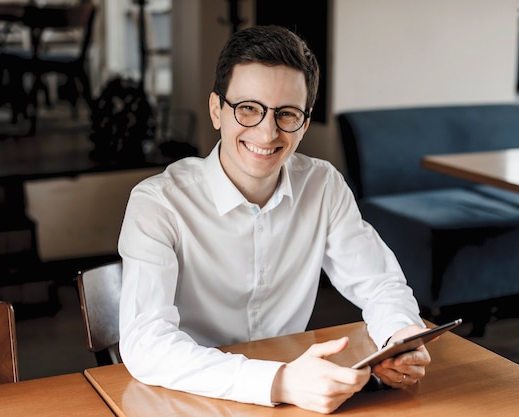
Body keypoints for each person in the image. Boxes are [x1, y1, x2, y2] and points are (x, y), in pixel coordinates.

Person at [118, 25, 430, 414]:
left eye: (287, 114)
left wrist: (399, 337)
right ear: (217, 110)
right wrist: (278, 381)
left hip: (295, 399)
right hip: (187, 396)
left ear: (304, 121)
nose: (267, 132)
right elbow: (146, 343)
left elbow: (380, 285)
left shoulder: (323, 185)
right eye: (248, 109)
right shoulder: (157, 203)